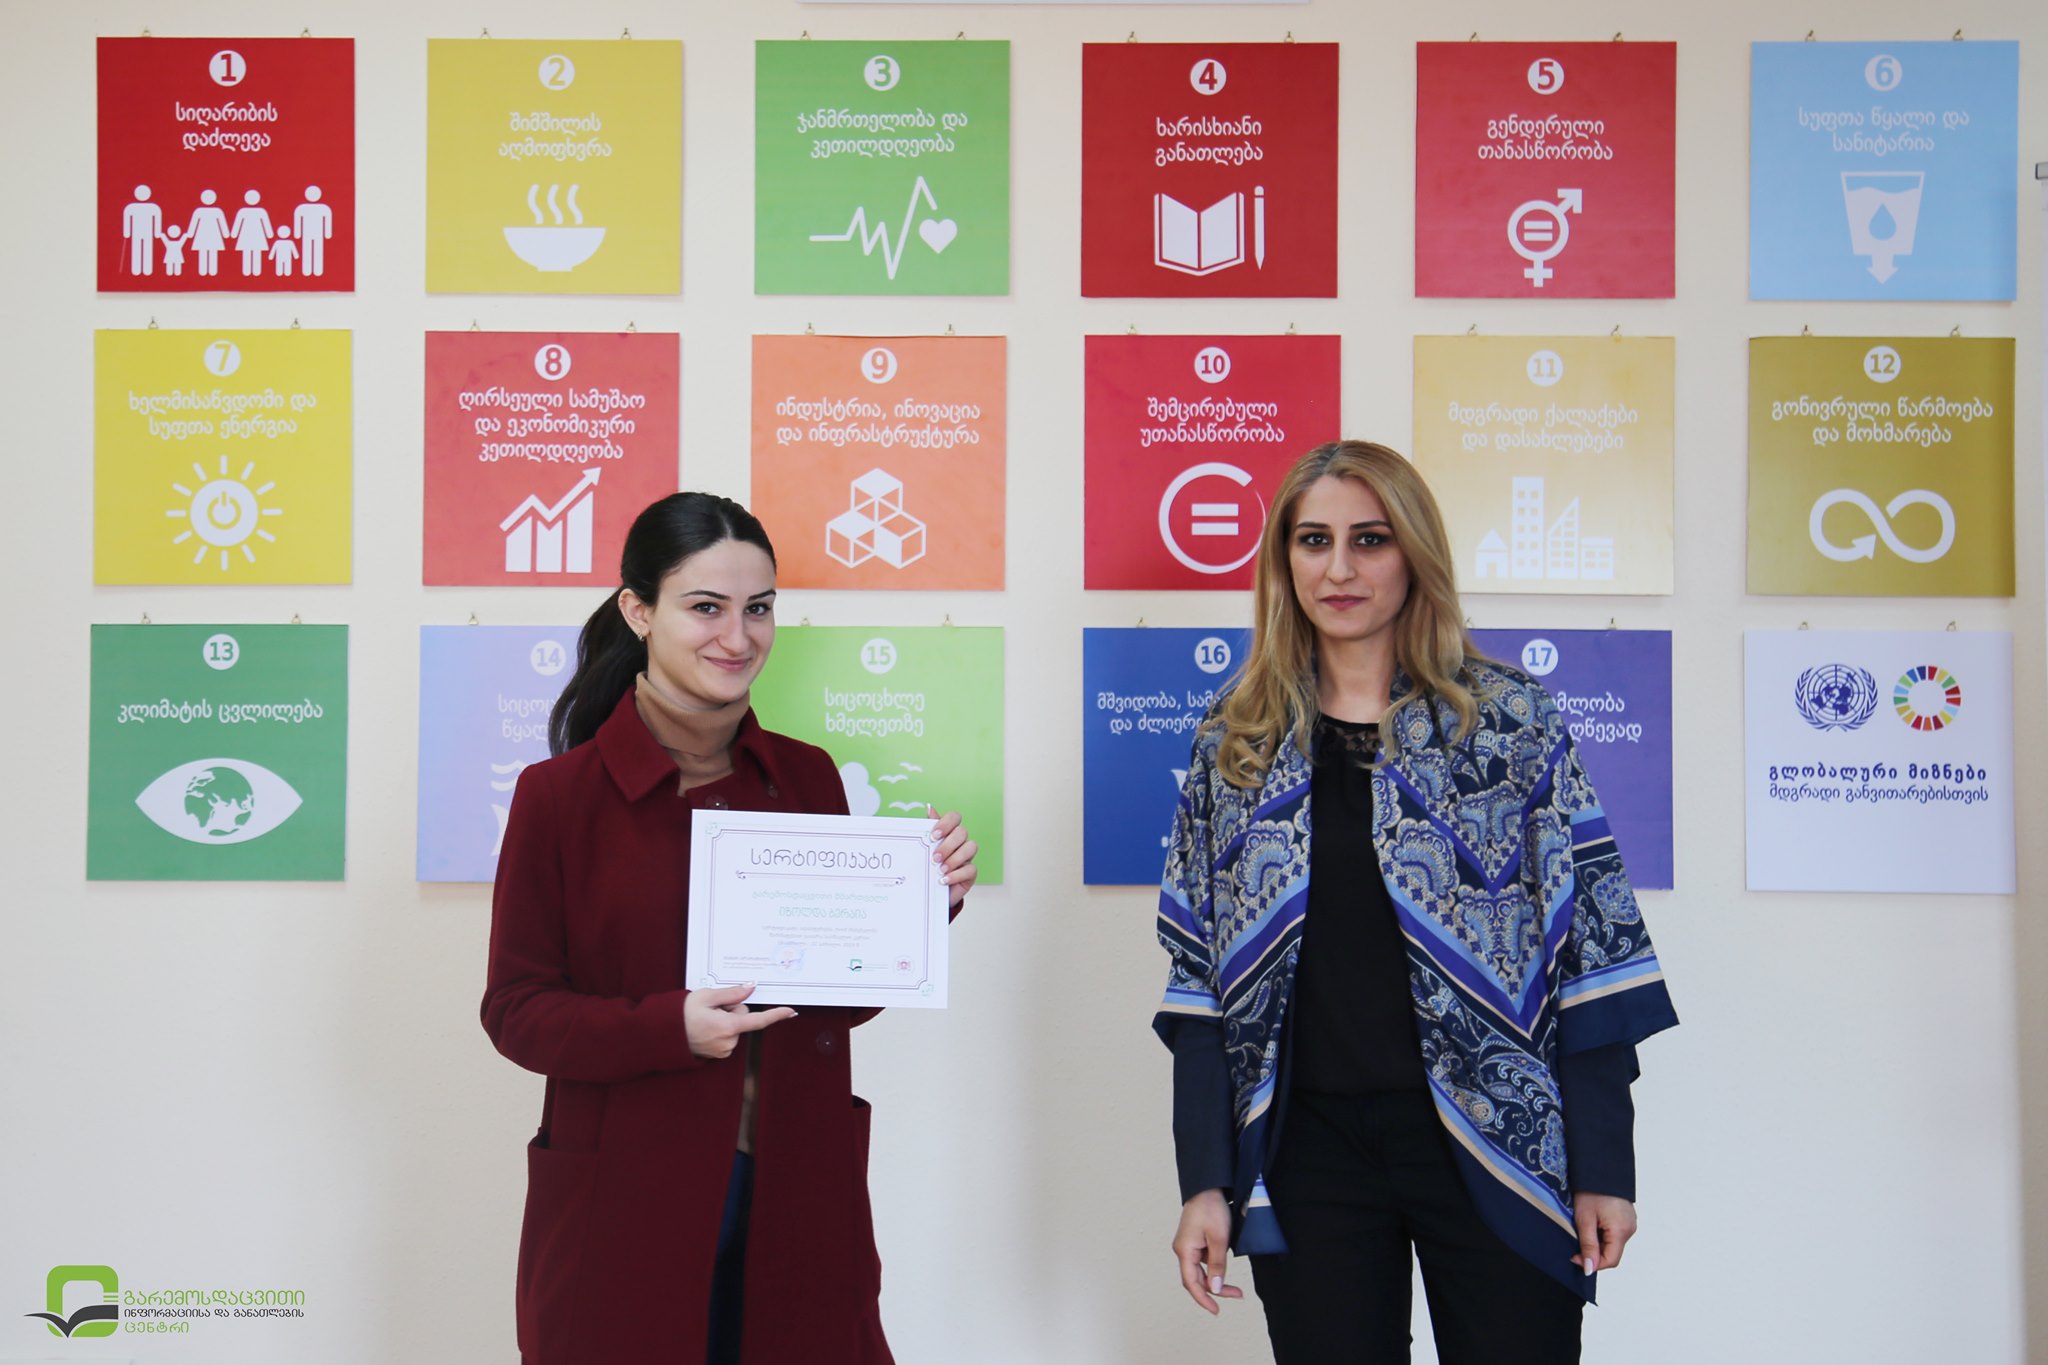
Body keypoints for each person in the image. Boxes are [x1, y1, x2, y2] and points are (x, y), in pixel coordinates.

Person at [1154, 441, 1677, 1364]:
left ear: (1415, 553)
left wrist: (1604, 1165)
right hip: (1306, 1151)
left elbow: (1592, 948)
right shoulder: (1237, 738)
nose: (1340, 568)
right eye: (1314, 540)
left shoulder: (1510, 722)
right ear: (1283, 559)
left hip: (1498, 1134)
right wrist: (1205, 1179)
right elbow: (1200, 982)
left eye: (1371, 539)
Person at [483, 492, 978, 1365]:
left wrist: (919, 907)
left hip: (797, 1185)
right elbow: (517, 1010)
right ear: (639, 611)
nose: (738, 637)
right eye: (706, 607)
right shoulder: (558, 796)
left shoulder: (808, 776)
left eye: (759, 608)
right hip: (627, 1195)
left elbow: (830, 1002)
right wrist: (667, 1025)